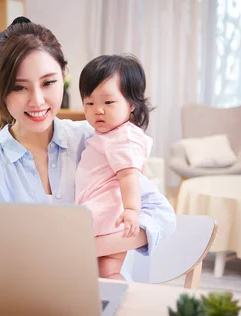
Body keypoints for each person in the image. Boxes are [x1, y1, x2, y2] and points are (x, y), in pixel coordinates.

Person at [0, 17, 176, 273]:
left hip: (101, 297)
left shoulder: (96, 139)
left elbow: (161, 215)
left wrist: (84, 247)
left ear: (64, 77)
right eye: (19, 87)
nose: (37, 101)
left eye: (48, 83)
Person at [75, 54, 154, 280]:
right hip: (106, 215)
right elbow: (141, 171)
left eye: (108, 102)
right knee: (106, 272)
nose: (98, 110)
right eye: (90, 103)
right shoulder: (110, 134)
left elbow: (130, 175)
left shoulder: (123, 138)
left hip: (108, 215)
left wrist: (131, 210)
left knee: (99, 271)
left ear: (131, 105)